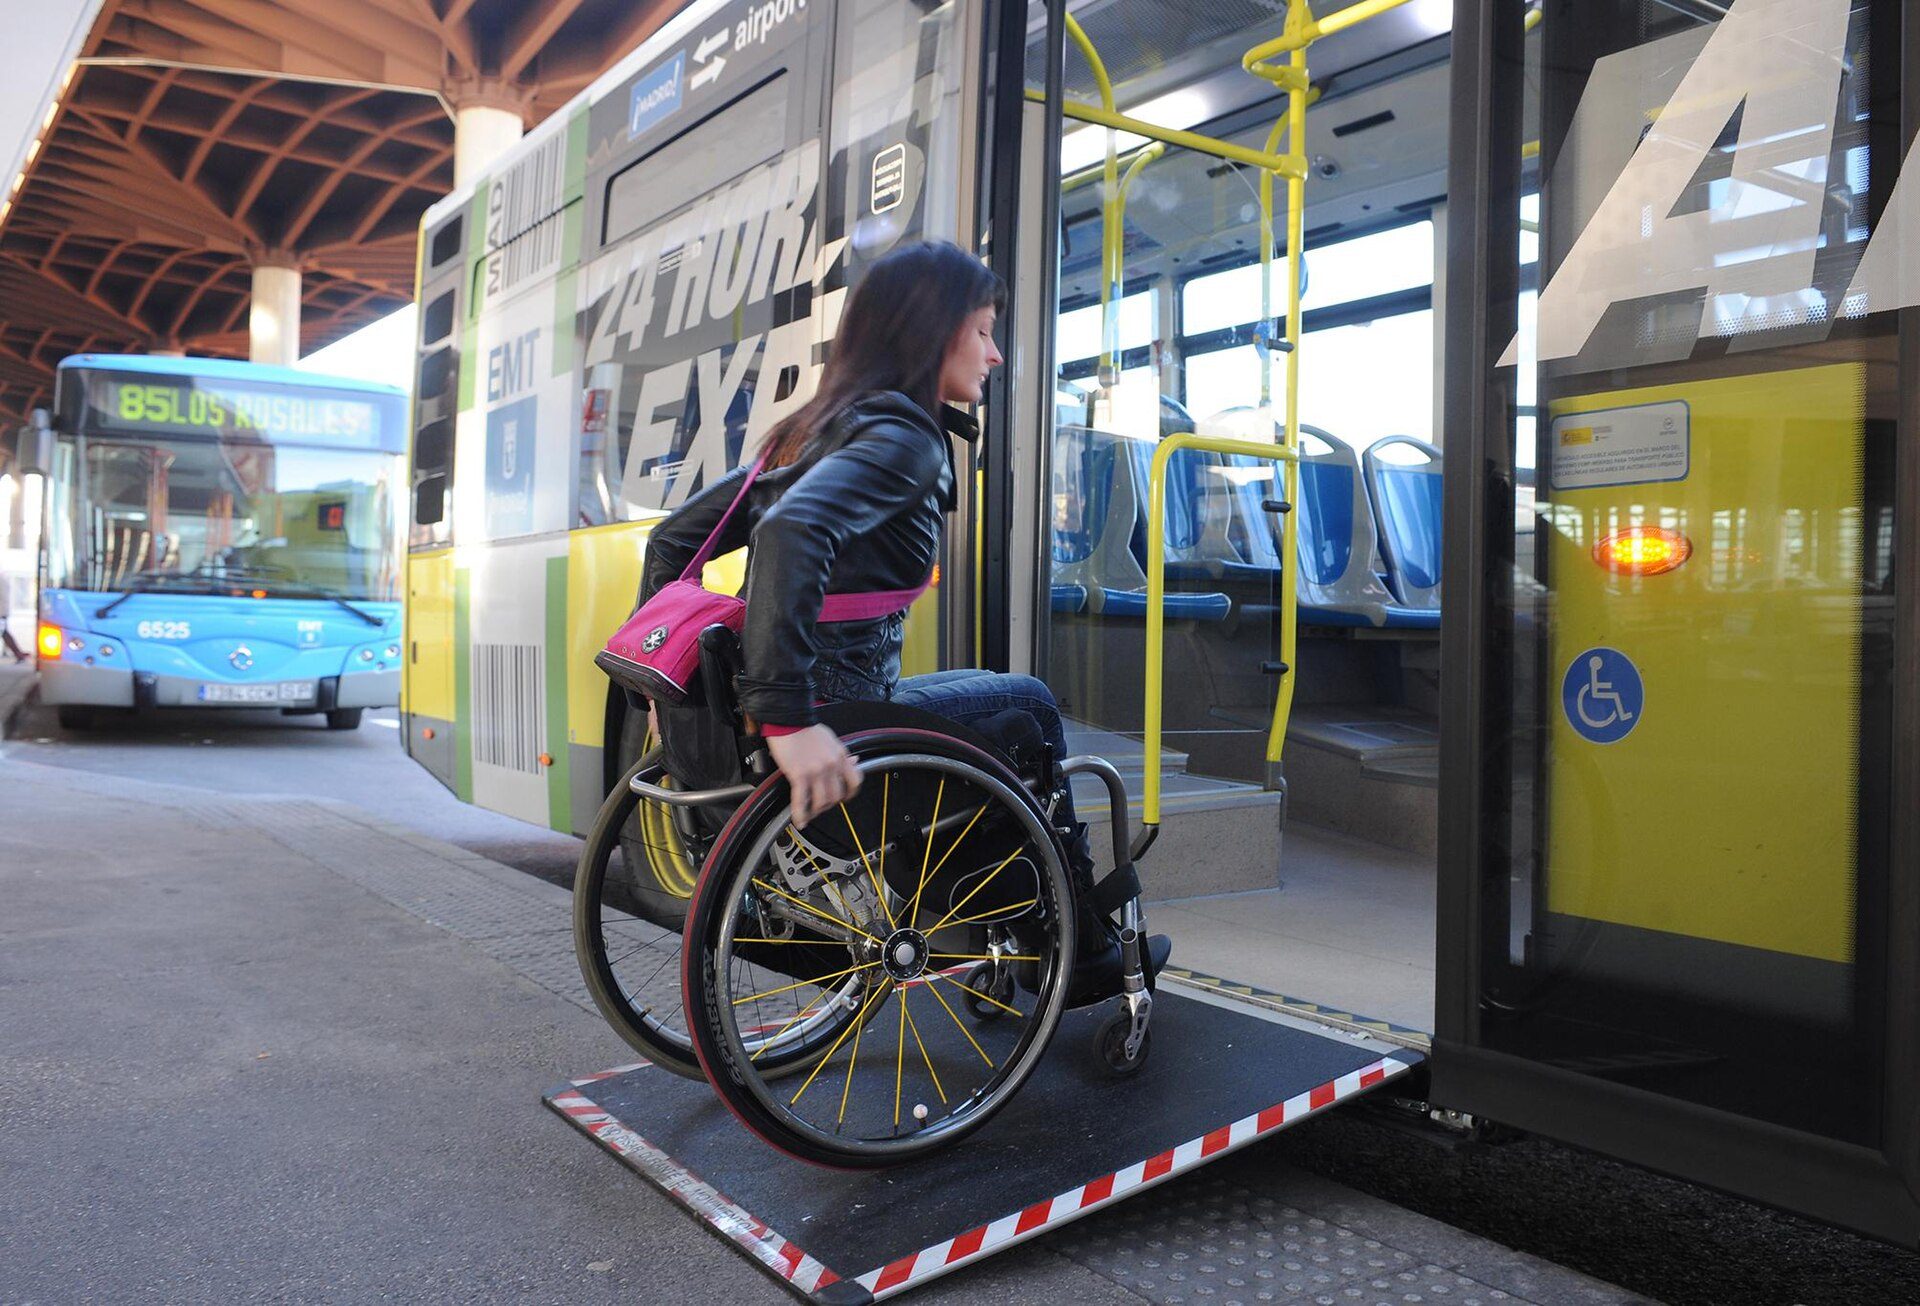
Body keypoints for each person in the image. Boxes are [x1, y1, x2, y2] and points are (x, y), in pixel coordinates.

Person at [637, 239, 1164, 994]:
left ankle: (985, 910)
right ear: (932, 333)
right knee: (1029, 705)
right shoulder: (903, 439)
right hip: (837, 727)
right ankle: (1079, 954)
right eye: (983, 331)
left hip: (773, 726)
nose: (996, 355)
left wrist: (667, 691)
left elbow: (672, 541)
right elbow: (793, 532)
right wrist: (789, 722)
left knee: (985, 703)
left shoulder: (809, 430)